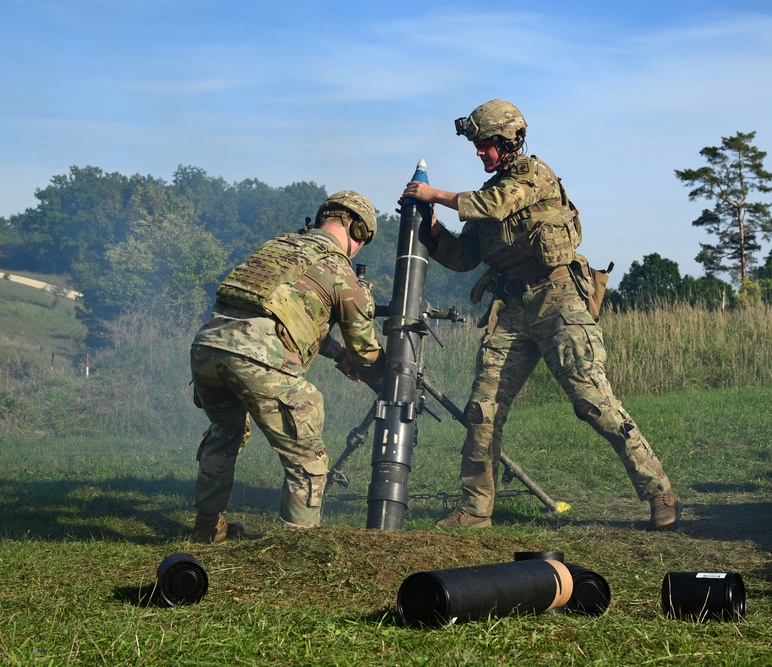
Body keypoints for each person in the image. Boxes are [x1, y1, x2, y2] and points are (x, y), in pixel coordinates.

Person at [399, 99, 682, 531]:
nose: (479, 152)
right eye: (476, 145)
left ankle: (659, 492)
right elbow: (464, 258)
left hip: (559, 300)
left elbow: (493, 205)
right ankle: (475, 510)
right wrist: (432, 226)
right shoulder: (485, 195)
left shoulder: (532, 175)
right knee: (483, 410)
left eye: (485, 144)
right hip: (511, 309)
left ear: (509, 141)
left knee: (593, 402)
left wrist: (433, 194)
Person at [189, 190, 384, 543]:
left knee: (224, 435)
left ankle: (206, 529)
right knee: (307, 456)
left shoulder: (277, 250)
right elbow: (366, 352)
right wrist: (386, 378)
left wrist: (338, 356)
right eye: (362, 241)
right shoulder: (338, 269)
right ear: (357, 231)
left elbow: (285, 316)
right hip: (256, 359)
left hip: (207, 349)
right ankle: (296, 547)